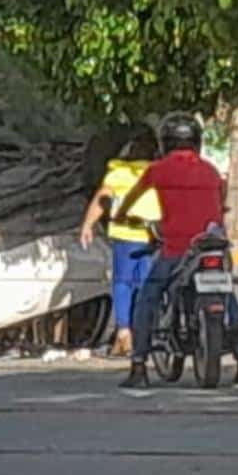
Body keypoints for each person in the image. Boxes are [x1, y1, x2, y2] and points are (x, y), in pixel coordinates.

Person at [103, 112, 238, 388]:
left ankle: (138, 365)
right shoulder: (210, 170)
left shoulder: (157, 170)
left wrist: (122, 217)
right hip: (214, 245)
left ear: (165, 142)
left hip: (178, 248)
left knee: (148, 296)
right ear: (197, 141)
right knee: (228, 296)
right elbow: (219, 202)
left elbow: (131, 200)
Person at [79, 131, 162, 357]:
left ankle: (125, 331)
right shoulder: (159, 172)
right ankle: (143, 330)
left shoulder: (119, 172)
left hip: (125, 235)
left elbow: (101, 199)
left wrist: (87, 224)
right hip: (152, 236)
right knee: (145, 283)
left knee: (123, 283)